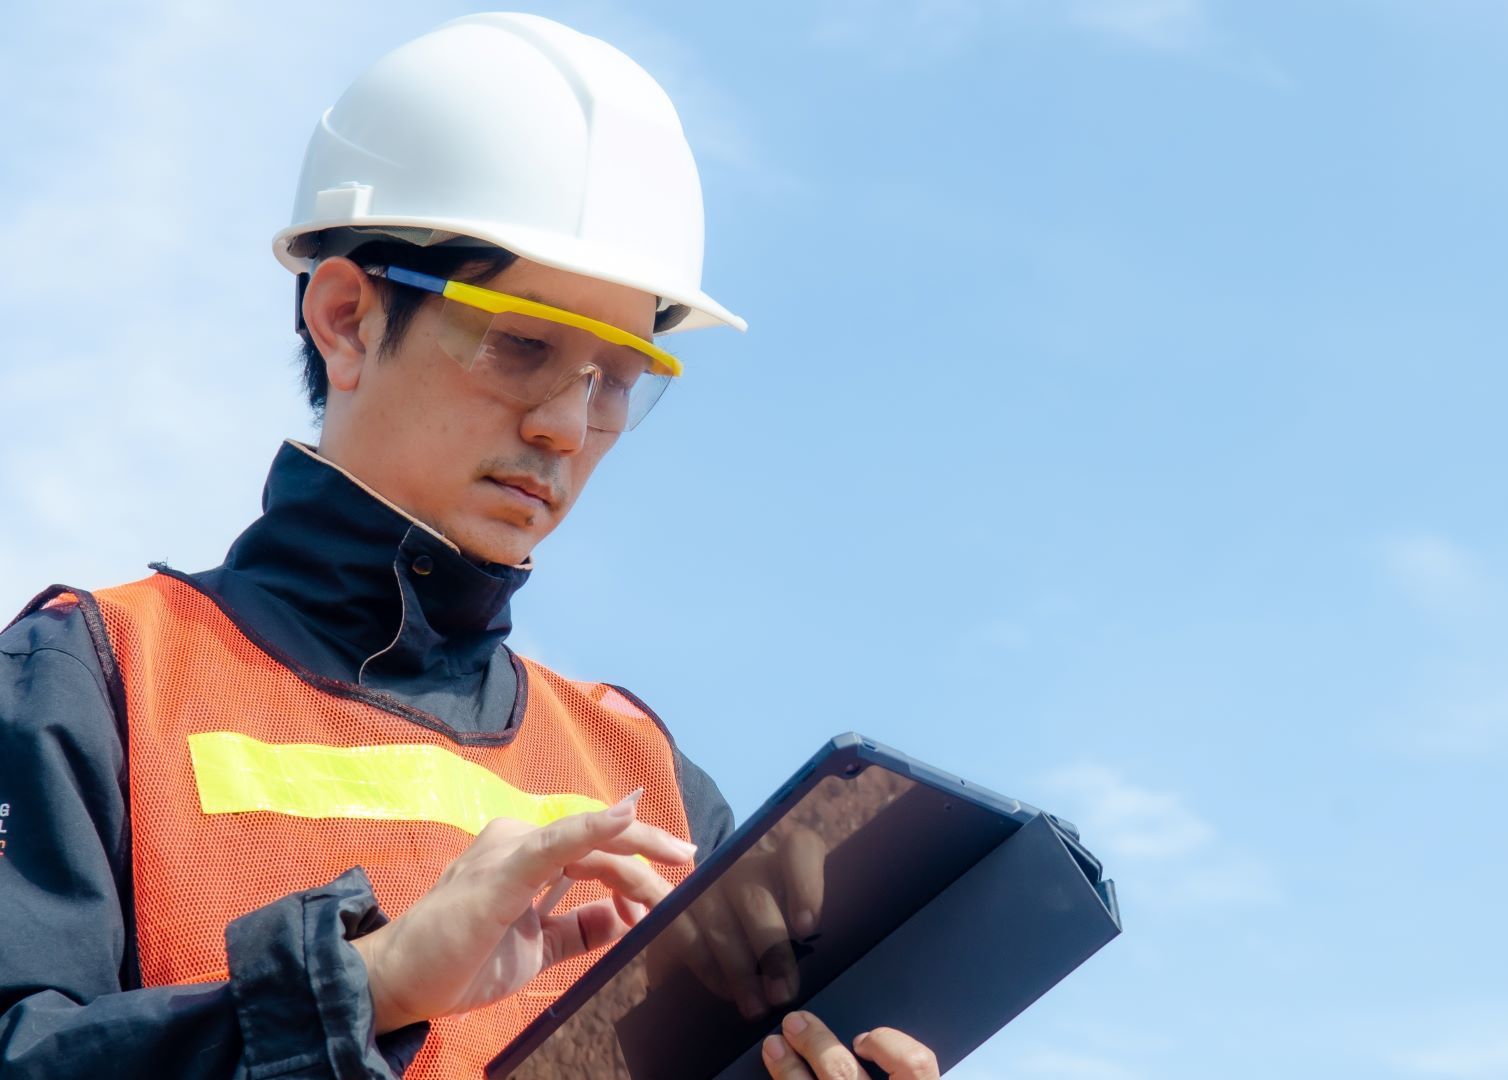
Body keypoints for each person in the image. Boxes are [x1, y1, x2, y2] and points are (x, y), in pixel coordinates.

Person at [0, 13, 940, 1080]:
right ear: (349, 317)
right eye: (522, 345)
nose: (565, 427)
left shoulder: (652, 781)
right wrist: (369, 985)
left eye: (619, 378)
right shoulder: (98, 675)